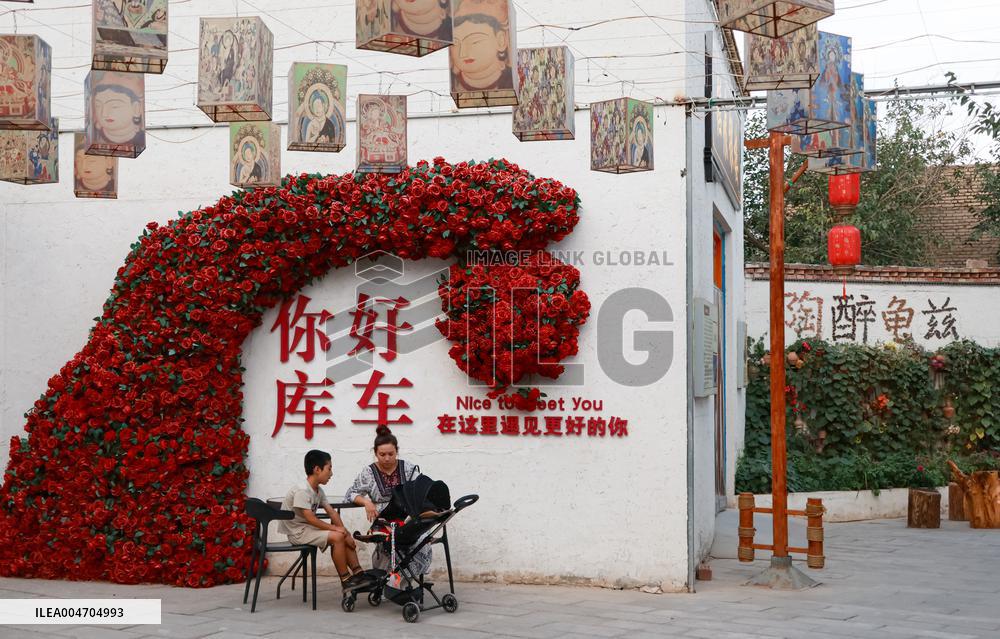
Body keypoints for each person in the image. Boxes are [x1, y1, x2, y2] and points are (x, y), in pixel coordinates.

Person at [344, 426, 432, 574]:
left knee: (420, 538)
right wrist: (366, 502)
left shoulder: (408, 468)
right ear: (375, 453)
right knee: (388, 541)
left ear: (397, 451)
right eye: (382, 454)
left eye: (391, 454)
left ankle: (406, 582)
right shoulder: (368, 472)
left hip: (408, 519)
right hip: (384, 522)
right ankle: (389, 583)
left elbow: (422, 490)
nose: (386, 458)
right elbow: (350, 494)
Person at [279, 450, 370, 589]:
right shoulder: (302, 490)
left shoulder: (318, 491)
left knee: (343, 535)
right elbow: (310, 518)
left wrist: (347, 533)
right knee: (338, 536)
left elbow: (333, 513)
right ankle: (346, 579)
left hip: (308, 529)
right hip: (297, 533)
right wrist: (336, 529)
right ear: (317, 469)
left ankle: (358, 573)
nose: (331, 473)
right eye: (329, 468)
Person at [449, 1, 513, 93]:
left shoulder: (511, 81)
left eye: (474, 41)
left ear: (501, 41)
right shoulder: (455, 84)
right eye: (455, 43)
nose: (463, 53)